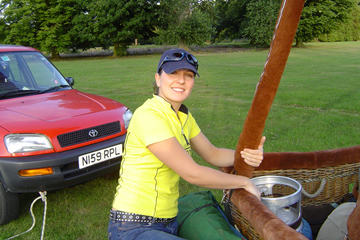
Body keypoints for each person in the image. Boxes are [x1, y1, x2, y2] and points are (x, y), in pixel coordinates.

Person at [108, 48, 266, 240]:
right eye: (173, 73)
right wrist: (244, 182)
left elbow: (212, 154)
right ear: (158, 78)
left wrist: (245, 154)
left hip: (169, 222)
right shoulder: (148, 116)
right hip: (132, 225)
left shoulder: (182, 115)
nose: (181, 80)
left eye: (188, 75)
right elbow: (192, 173)